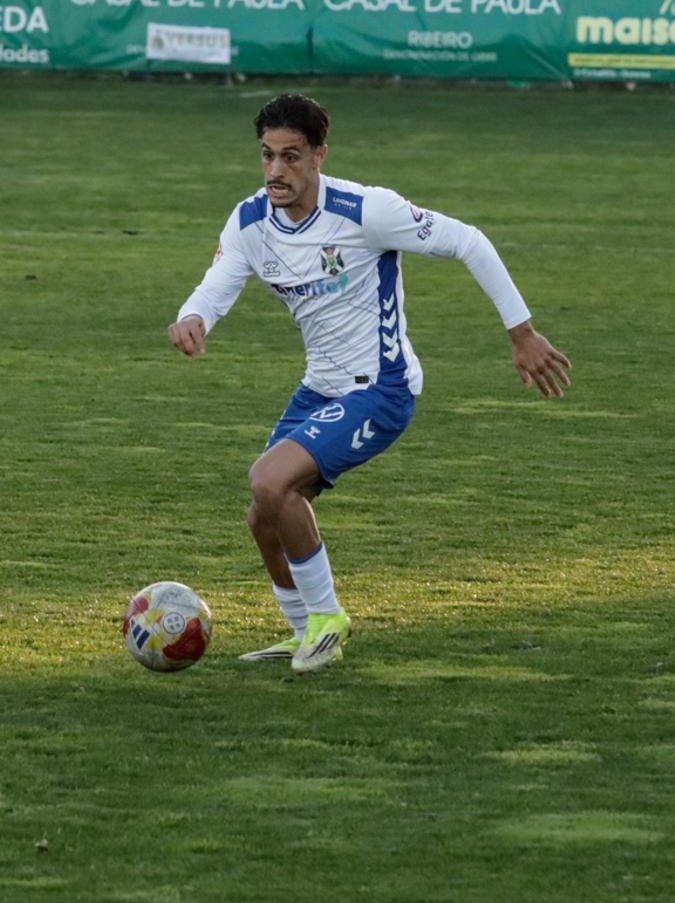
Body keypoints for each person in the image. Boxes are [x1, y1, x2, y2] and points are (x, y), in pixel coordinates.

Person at [167, 93, 571, 673]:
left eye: (291, 157)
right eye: (267, 156)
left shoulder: (367, 211)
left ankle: (329, 620)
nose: (276, 171)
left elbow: (470, 242)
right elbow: (219, 279)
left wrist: (523, 333)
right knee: (264, 510)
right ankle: (305, 630)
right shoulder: (252, 220)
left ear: (319, 155)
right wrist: (194, 316)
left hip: (381, 390)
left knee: (269, 479)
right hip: (321, 386)